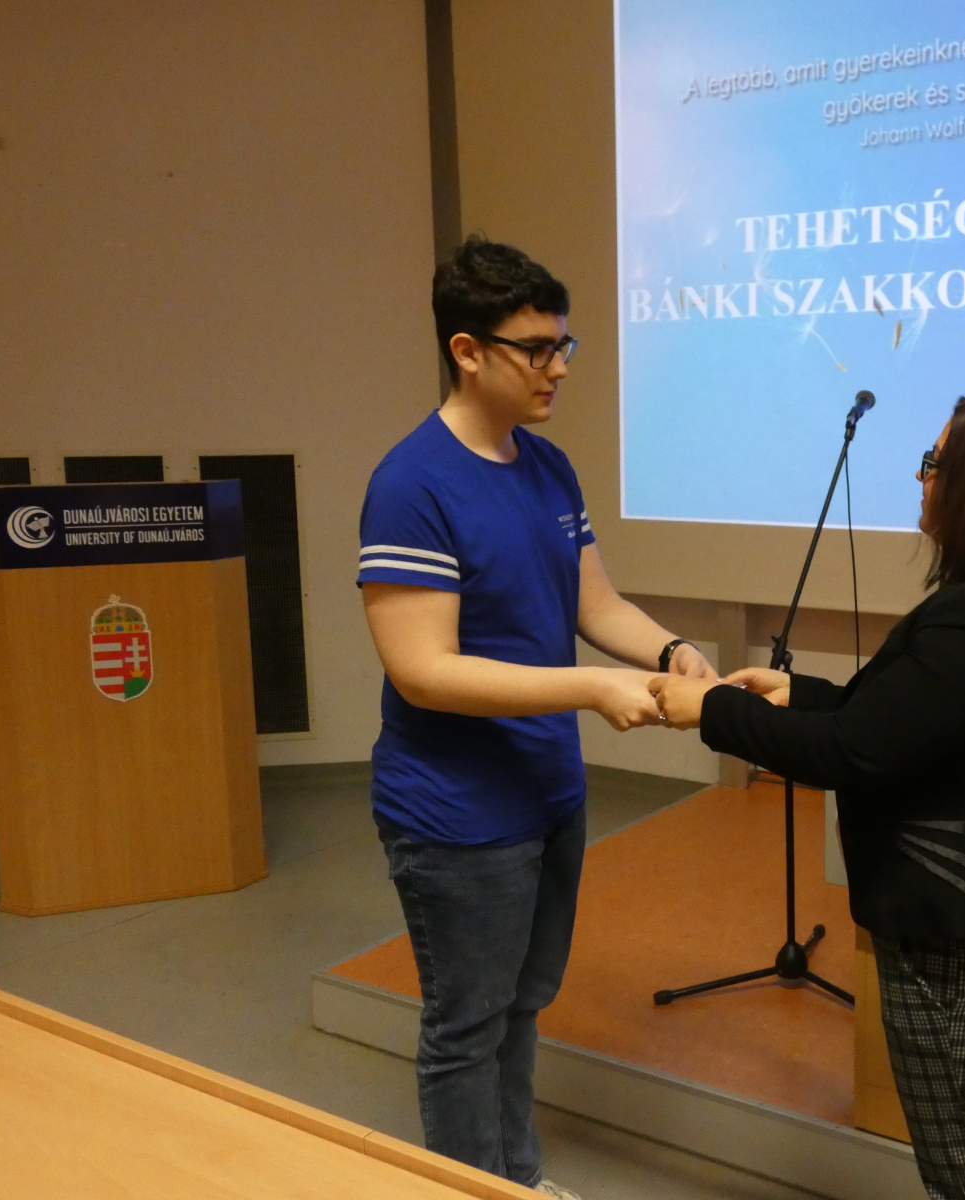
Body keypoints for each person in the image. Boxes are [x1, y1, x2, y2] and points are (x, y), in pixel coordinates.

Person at [651, 393, 965, 1200]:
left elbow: (858, 751)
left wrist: (712, 710)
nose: (921, 478)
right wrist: (796, 693)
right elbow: (902, 719)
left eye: (935, 465)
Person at [357, 236, 715, 1193]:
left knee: (522, 1005)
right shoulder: (412, 484)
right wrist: (592, 690)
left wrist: (673, 654)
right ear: (468, 351)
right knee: (466, 1026)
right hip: (457, 812)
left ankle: (515, 1178)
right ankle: (475, 1186)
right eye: (537, 349)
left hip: (548, 792)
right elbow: (425, 672)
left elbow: (596, 605)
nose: (559, 367)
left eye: (565, 345)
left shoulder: (549, 467)